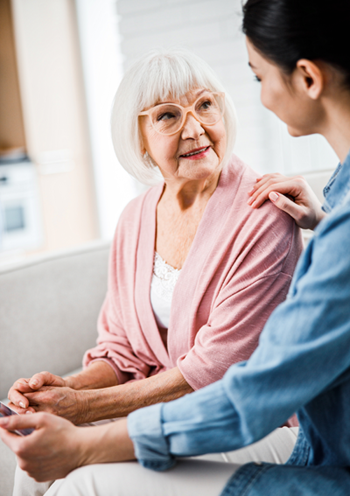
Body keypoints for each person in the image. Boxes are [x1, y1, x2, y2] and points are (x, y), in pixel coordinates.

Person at [5, 0, 350, 491]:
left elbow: (226, 377)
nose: (195, 128)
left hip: (254, 421)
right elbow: (121, 348)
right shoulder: (134, 219)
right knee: (30, 471)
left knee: (74, 483)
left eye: (206, 104)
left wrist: (84, 412)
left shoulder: (263, 209)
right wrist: (66, 389)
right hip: (182, 409)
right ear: (141, 138)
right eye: (168, 115)